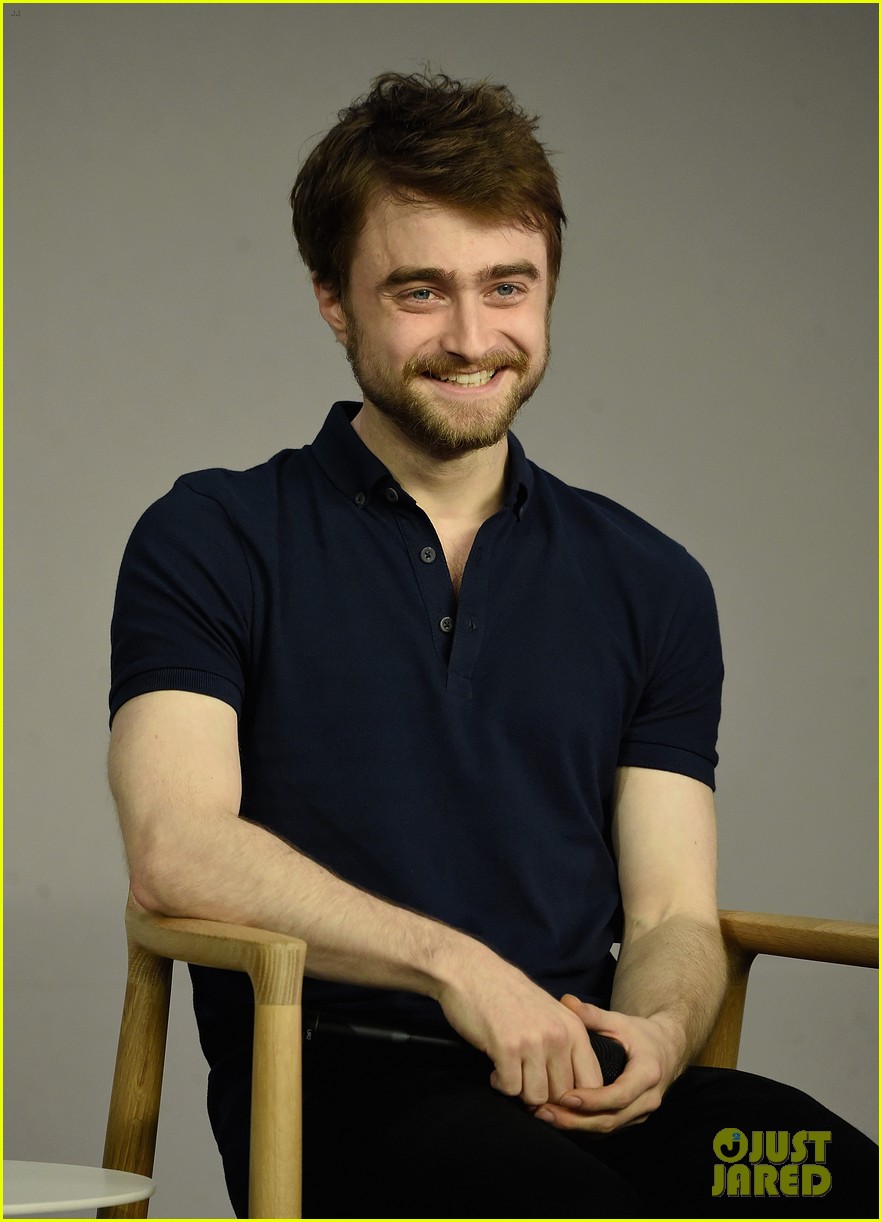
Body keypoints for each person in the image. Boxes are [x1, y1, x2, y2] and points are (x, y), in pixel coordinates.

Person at [108, 72, 876, 1218]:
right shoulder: (213, 535)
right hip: (346, 1092)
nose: (472, 339)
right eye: (420, 291)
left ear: (549, 286)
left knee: (832, 1183)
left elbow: (670, 914)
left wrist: (661, 1034)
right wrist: (459, 968)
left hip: (590, 1089)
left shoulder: (653, 580)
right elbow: (177, 849)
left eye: (506, 286)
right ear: (333, 300)